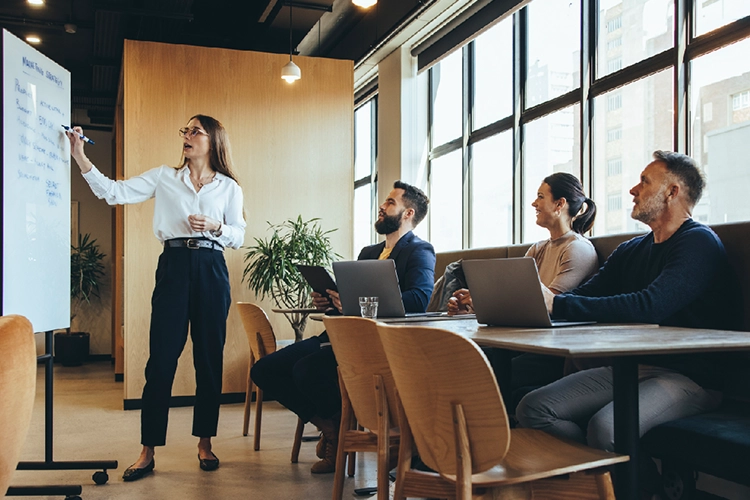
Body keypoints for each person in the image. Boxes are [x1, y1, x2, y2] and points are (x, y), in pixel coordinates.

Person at [516, 151, 740, 459]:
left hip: (691, 377)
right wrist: (540, 302)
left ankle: (622, 484)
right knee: (534, 408)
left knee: (606, 429)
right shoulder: (632, 249)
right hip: (631, 367)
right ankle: (600, 482)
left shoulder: (699, 242)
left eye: (644, 182)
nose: (633, 190)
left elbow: (651, 305)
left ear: (672, 192)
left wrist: (557, 305)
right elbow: (586, 296)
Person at [66, 115, 246, 481]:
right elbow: (114, 192)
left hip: (212, 267)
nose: (187, 136)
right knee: (160, 360)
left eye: (196, 131)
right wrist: (80, 156)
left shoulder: (228, 187)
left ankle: (205, 443)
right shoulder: (165, 176)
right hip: (175, 266)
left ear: (213, 141)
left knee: (209, 359)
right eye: (185, 130)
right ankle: (147, 452)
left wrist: (216, 227)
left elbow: (239, 235)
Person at [250, 181, 435, 474]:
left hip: (376, 345)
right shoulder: (368, 252)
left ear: (408, 213)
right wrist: (332, 302)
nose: (382, 206)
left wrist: (357, 300)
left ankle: (338, 431)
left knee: (306, 370)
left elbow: (420, 298)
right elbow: (352, 304)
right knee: (263, 370)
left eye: (390, 202)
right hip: (340, 335)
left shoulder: (419, 251)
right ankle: (333, 428)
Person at [447, 173, 599, 399]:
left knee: (471, 368)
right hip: (523, 345)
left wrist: (483, 301)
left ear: (560, 204)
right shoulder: (537, 249)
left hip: (551, 353)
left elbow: (548, 307)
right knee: (452, 357)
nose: (534, 203)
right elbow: (517, 304)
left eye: (540, 197)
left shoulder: (578, 249)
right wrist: (471, 308)